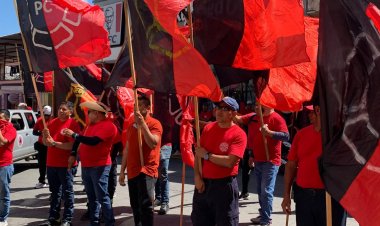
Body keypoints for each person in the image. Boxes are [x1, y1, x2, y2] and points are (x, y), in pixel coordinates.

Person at [281, 105, 347, 226]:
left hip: (331, 198)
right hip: (304, 198)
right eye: (310, 112)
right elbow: (290, 165)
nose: (309, 115)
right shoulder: (301, 135)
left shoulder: (339, 136)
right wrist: (286, 195)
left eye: (313, 112)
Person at [191, 96, 247, 226]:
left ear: (233, 113)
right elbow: (198, 155)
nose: (219, 111)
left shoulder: (239, 134)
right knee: (200, 221)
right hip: (204, 186)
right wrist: (197, 177)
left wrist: (207, 156)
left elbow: (230, 162)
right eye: (218, 108)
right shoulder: (208, 128)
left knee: (226, 222)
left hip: (224, 187)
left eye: (224, 108)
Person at [63, 101, 117, 226]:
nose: (88, 115)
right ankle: (94, 221)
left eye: (89, 112)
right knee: (91, 197)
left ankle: (109, 222)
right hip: (87, 165)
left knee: (102, 196)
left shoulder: (109, 126)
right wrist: (72, 153)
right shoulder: (89, 126)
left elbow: (93, 141)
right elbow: (79, 140)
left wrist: (74, 135)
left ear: (97, 113)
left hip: (100, 166)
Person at [236, 103, 289, 225]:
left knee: (266, 190)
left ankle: (266, 219)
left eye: (260, 104)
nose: (257, 106)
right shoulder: (255, 117)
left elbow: (286, 136)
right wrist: (252, 155)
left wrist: (270, 133)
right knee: (260, 190)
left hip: (271, 161)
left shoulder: (277, 118)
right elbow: (240, 121)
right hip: (258, 159)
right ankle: (263, 214)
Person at [119, 95, 163, 226]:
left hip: (146, 170)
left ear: (148, 108)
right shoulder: (132, 125)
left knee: (146, 207)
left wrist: (143, 125)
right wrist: (122, 171)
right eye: (135, 106)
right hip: (132, 171)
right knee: (135, 206)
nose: (136, 108)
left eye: (140, 106)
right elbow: (127, 148)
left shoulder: (155, 123)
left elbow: (153, 143)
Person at [41, 101, 81, 226]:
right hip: (51, 163)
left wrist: (54, 143)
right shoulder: (52, 122)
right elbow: (46, 143)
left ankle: (67, 219)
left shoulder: (73, 124)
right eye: (59, 108)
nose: (61, 111)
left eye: (64, 109)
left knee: (67, 192)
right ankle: (53, 217)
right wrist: (44, 136)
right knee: (54, 192)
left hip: (66, 164)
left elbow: (72, 145)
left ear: (70, 112)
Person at [0, 110, 17, 226]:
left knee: (3, 193)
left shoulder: (11, 129)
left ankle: (3, 218)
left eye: (1, 118)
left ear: (6, 119)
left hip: (4, 165)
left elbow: (3, 141)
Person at [153, 124, 172, 215]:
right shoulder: (153, 111)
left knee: (163, 174)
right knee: (155, 173)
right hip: (154, 144)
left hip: (165, 144)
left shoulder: (169, 110)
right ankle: (159, 198)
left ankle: (165, 202)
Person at [33, 105, 52, 189]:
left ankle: (51, 180)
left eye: (48, 115)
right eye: (45, 115)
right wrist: (41, 133)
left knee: (51, 164)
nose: (46, 117)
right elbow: (34, 131)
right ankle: (42, 181)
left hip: (51, 145)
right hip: (42, 145)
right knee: (42, 164)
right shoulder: (40, 120)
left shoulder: (53, 120)